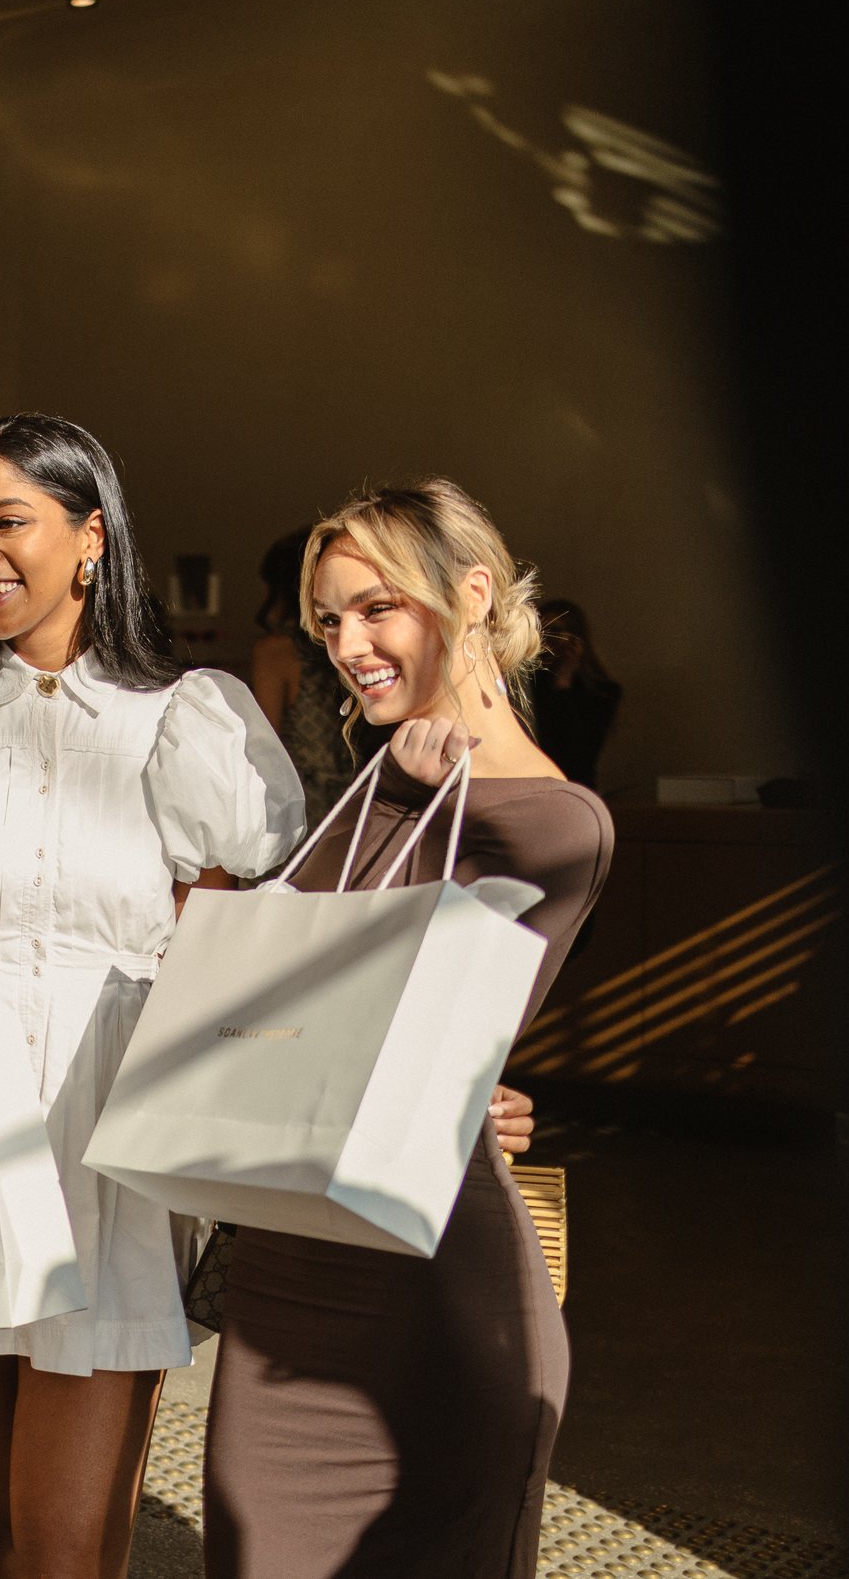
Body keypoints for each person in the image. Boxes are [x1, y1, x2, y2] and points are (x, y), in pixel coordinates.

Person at [0, 414, 305, 1579]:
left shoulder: (183, 718)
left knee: (63, 1546)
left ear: (90, 537)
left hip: (103, 1118)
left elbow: (234, 941)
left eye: (7, 520)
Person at [203, 481, 612, 1579]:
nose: (347, 644)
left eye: (376, 608)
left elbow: (385, 1008)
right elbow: (270, 980)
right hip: (289, 1270)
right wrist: (390, 791)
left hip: (434, 1296)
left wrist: (402, 798)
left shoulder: (555, 822)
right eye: (328, 619)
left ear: (471, 596)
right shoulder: (377, 788)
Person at [247, 527, 355, 824]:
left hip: (302, 805)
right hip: (361, 799)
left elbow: (265, 743)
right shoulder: (362, 644)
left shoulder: (276, 652)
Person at [525, 597, 623, 788]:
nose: (548, 640)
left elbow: (579, 747)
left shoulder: (603, 691)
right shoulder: (528, 683)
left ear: (576, 637)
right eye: (542, 631)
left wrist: (563, 680)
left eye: (556, 632)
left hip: (576, 784)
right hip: (533, 781)